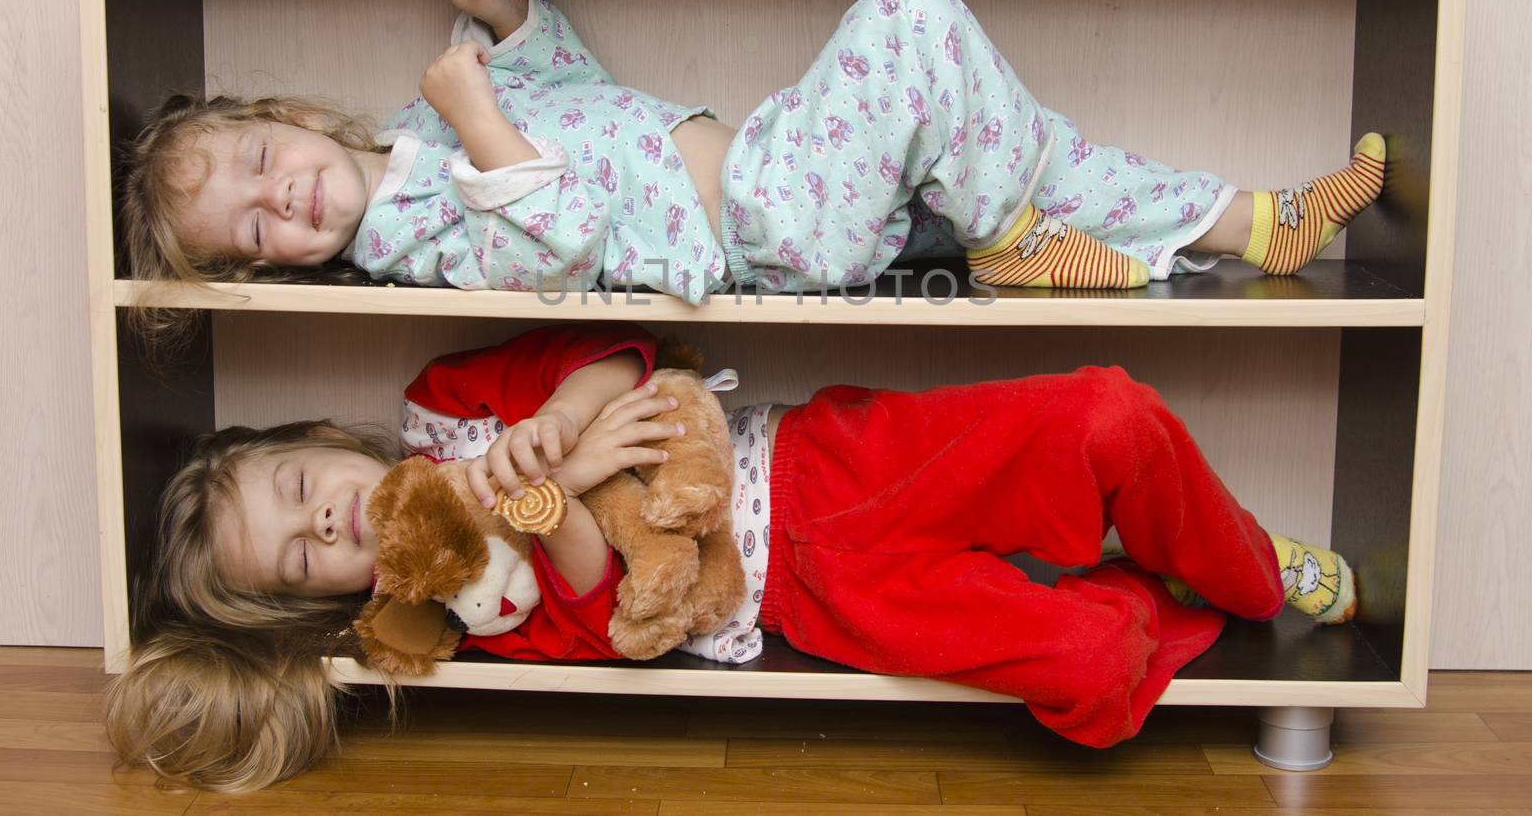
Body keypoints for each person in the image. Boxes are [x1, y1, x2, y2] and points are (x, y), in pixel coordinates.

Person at [107, 324, 1356, 792]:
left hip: (817, 460)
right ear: (311, 602)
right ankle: (1136, 575)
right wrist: (570, 490)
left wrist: (563, 422)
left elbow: (610, 353)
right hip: (804, 594)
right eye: (294, 555)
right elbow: (609, 613)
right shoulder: (449, 612)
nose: (322, 522)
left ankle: (1244, 565)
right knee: (1092, 656)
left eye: (297, 490)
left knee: (1105, 414)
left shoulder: (437, 404)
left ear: (322, 443)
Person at [120, 0, 1387, 326]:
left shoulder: (411, 126)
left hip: (774, 163)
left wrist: (510, 20)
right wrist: (478, 113)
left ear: (282, 120)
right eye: (252, 235)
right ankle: (1011, 241)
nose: (280, 206)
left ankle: (1255, 224)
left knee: (1018, 137)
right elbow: (558, 248)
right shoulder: (406, 243)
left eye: (256, 169)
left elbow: (580, 95)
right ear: (271, 266)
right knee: (909, 17)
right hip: (766, 221)